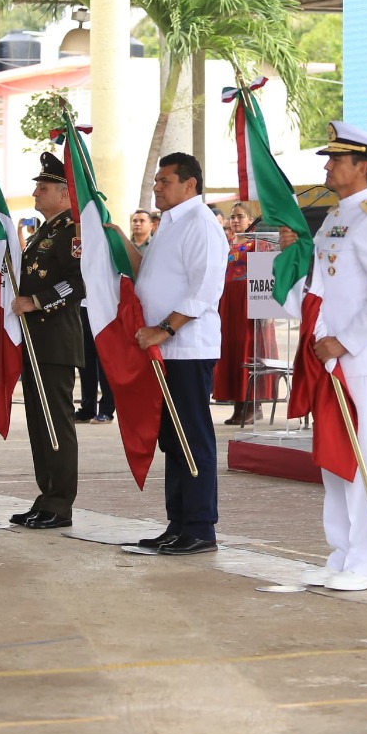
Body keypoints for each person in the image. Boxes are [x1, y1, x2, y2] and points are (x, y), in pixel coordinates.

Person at [277, 123, 367, 591]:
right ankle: (342, 553)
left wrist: (344, 341)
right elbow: (320, 289)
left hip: (357, 356)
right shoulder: (334, 218)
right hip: (327, 352)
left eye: (336, 159)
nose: (327, 166)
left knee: (363, 456)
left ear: (362, 167)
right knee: (334, 455)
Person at [121, 152, 227, 555]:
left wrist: (165, 329)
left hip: (186, 347)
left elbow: (205, 289)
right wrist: (116, 238)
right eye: (157, 181)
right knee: (172, 437)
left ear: (190, 185)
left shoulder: (200, 224)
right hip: (162, 350)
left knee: (191, 436)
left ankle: (201, 526)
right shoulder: (169, 224)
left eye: (165, 181)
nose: (157, 187)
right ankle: (178, 522)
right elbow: (147, 275)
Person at [9, 151, 86, 530]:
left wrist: (36, 300)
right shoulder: (45, 230)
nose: (36, 193)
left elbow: (79, 280)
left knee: (56, 421)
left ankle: (60, 503)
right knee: (39, 424)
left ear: (64, 193)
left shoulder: (73, 230)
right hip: (35, 338)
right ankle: (46, 496)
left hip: (56, 338)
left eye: (43, 187)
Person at [212, 201, 280, 426]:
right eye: (232, 217)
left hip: (249, 304)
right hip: (228, 304)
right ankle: (238, 405)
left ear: (251, 221)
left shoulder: (259, 244)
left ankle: (253, 405)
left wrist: (267, 310)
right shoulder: (226, 243)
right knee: (231, 351)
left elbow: (269, 275)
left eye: (240, 216)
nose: (234, 220)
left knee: (248, 350)